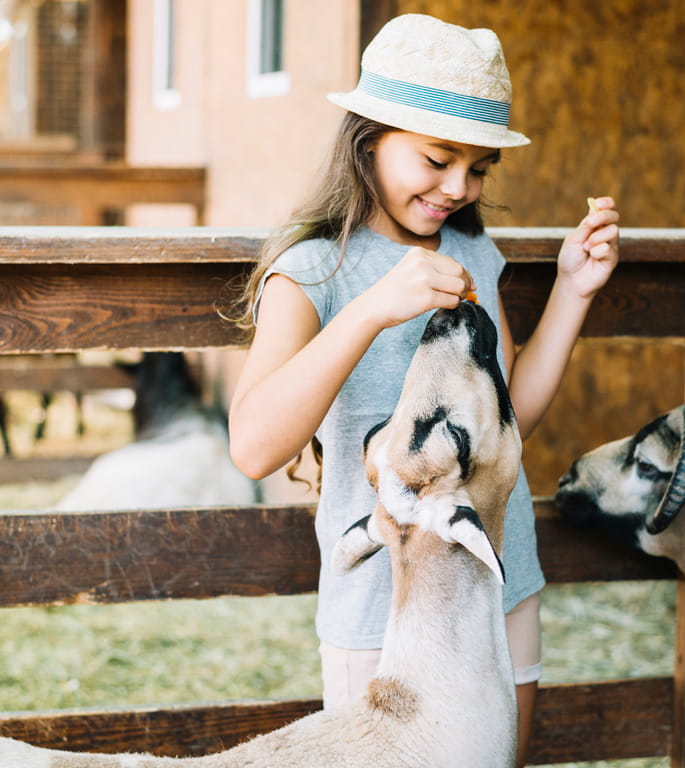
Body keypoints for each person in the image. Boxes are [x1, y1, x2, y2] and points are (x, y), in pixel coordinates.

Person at [227, 13, 619, 766]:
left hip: (497, 592)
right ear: (369, 137)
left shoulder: (475, 248)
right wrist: (375, 308)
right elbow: (252, 446)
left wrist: (574, 290)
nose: (457, 187)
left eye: (478, 169)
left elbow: (512, 421)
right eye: (437, 159)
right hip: (378, 611)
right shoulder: (312, 271)